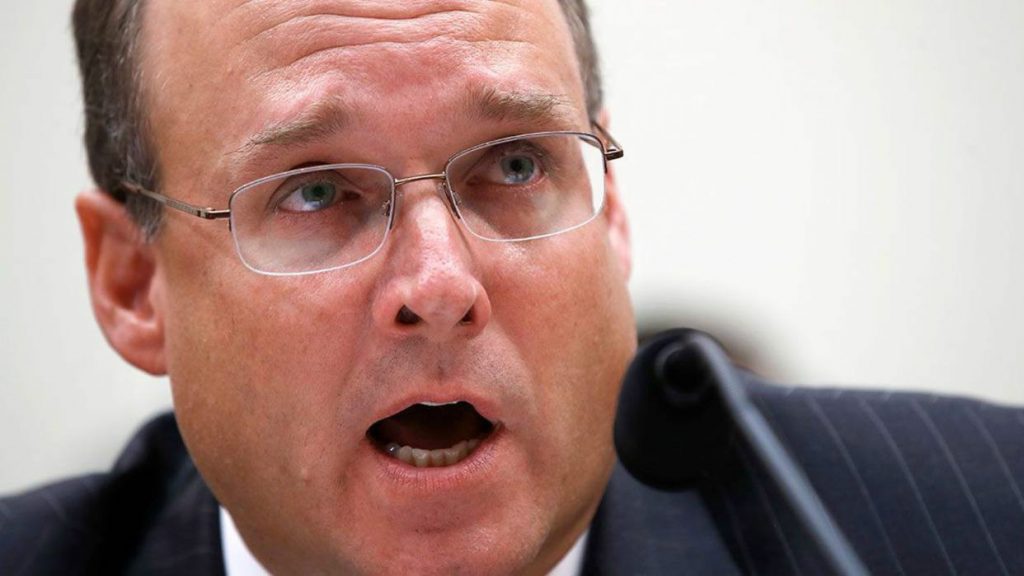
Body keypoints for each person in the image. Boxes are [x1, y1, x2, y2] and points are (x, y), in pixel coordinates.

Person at [2, 0, 1023, 575]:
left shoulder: (975, 527)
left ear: (612, 212)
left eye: (518, 165)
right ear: (133, 283)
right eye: (315, 191)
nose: (440, 283)